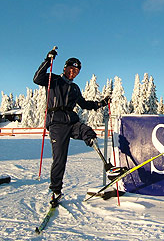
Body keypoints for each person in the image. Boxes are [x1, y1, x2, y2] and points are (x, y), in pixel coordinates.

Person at [33, 48, 112, 205]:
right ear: (65, 68)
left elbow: (84, 104)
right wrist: (48, 60)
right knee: (60, 158)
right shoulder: (53, 80)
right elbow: (37, 78)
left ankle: (108, 166)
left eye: (76, 71)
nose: (73, 72)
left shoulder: (75, 88)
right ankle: (56, 190)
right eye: (71, 69)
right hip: (56, 124)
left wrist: (101, 103)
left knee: (87, 132)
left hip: (71, 121)